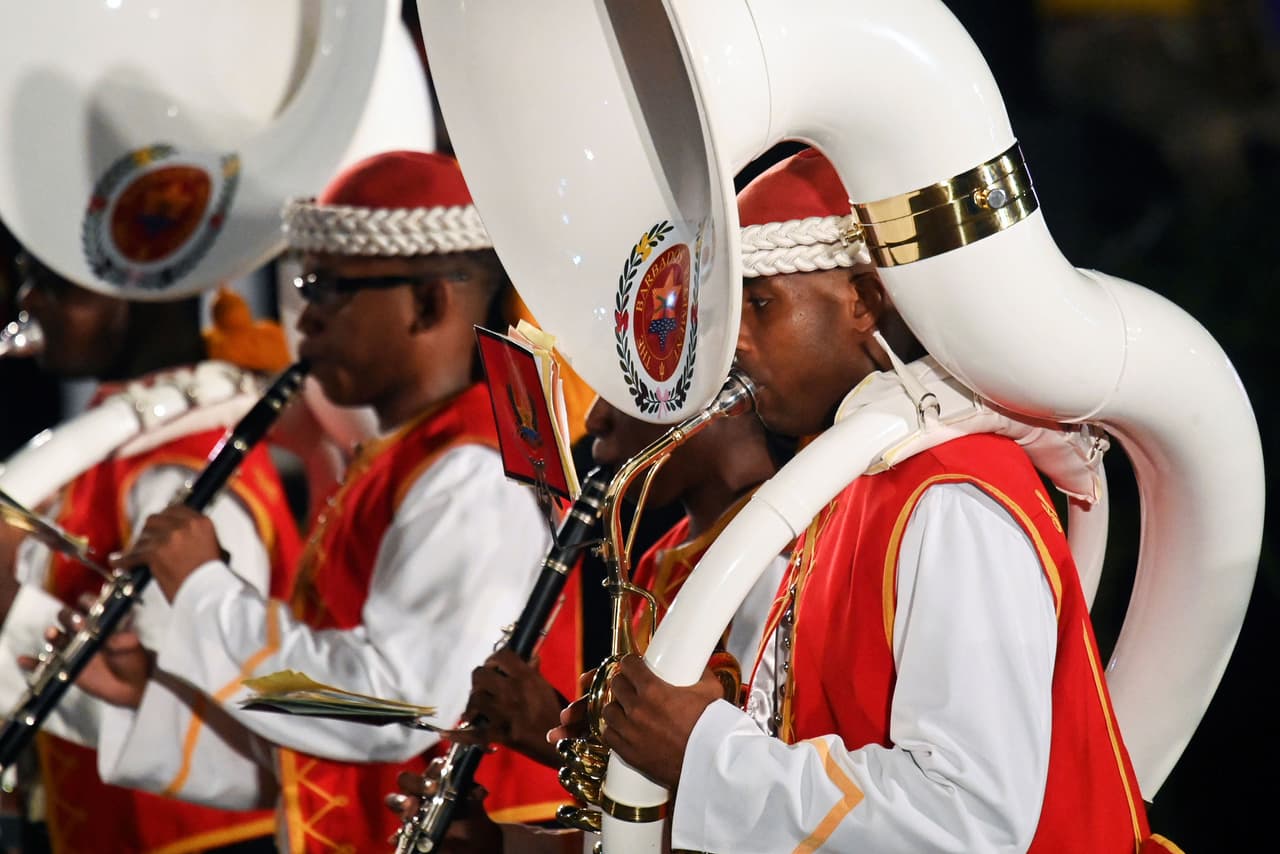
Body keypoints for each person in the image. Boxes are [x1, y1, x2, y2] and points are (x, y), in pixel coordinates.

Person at [552, 149, 1178, 853]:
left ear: (864, 302)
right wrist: (662, 727)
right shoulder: (842, 486)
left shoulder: (951, 495)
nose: (737, 347)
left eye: (761, 305)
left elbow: (968, 820)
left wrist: (702, 750)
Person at [69, 150, 553, 852]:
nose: (306, 321)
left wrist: (207, 597)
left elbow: (394, 706)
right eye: (304, 286)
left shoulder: (471, 472)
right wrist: (149, 690)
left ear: (427, 302)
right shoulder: (404, 458)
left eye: (329, 290)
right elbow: (318, 749)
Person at [388, 393, 789, 852]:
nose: (595, 419)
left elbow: (744, 814)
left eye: (623, 391)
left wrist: (550, 734)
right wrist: (497, 843)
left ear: (719, 398)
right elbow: (625, 833)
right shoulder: (663, 558)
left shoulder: (777, 562)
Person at [0, 249, 303, 854]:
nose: (28, 302)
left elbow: (180, 696)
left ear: (140, 302)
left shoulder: (185, 476)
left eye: (57, 286)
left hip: (190, 838)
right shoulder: (110, 453)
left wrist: (9, 601)